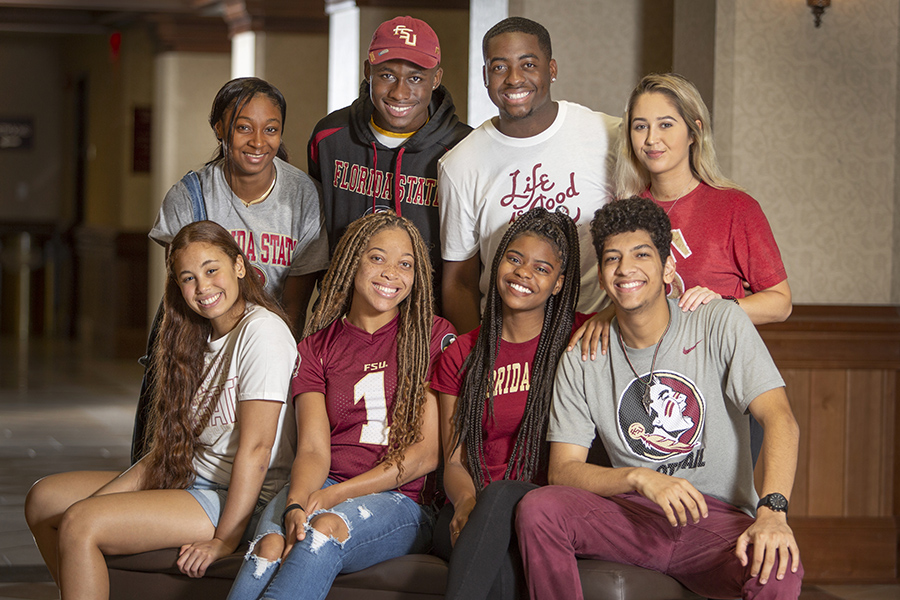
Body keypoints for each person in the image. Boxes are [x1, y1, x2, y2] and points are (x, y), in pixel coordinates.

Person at [515, 198, 803, 600]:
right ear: (601, 276)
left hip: (716, 521)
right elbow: (564, 470)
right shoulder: (582, 357)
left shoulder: (718, 321)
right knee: (538, 508)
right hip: (634, 516)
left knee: (778, 564)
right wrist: (637, 477)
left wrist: (772, 512)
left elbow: (780, 419)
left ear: (668, 269)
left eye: (642, 255)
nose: (626, 268)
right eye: (613, 258)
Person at [25, 221, 299, 599]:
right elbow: (170, 449)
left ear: (239, 266)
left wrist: (224, 539)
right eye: (188, 278)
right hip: (191, 479)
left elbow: (257, 451)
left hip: (239, 497)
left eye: (211, 269)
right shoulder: (195, 337)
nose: (203, 287)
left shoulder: (262, 332)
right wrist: (106, 498)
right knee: (44, 501)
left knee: (81, 523)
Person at [227, 212, 456, 600]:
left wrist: (332, 498)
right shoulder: (315, 348)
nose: (391, 273)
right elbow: (315, 449)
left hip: (402, 500)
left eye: (405, 264)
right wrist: (298, 502)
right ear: (353, 262)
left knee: (322, 530)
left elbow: (425, 456)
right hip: (324, 482)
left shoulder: (433, 336)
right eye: (377, 258)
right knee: (269, 547)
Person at [432, 207, 586, 600]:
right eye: (514, 259)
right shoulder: (462, 354)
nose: (522, 273)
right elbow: (453, 460)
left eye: (541, 268)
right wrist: (466, 502)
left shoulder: (580, 336)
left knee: (501, 498)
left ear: (558, 284)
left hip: (545, 507)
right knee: (494, 558)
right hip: (474, 498)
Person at [439, 16, 620, 334]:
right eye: (499, 67)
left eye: (528, 64)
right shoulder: (459, 165)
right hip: (508, 343)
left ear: (551, 69)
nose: (513, 79)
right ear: (485, 75)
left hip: (596, 339)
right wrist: (482, 356)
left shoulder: (609, 136)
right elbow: (460, 283)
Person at [308, 15, 471, 311]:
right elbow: (313, 234)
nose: (399, 92)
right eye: (387, 75)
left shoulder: (465, 149)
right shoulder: (329, 137)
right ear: (368, 71)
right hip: (345, 319)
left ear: (436, 78)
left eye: (416, 78)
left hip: (427, 321)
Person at [151, 77, 329, 332]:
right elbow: (183, 295)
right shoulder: (188, 198)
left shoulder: (306, 197)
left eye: (270, 130)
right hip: (202, 345)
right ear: (219, 129)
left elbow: (293, 309)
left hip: (269, 344)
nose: (258, 142)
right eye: (244, 128)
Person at [618, 72, 791, 324]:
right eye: (640, 126)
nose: (651, 139)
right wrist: (603, 319)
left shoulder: (736, 208)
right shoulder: (625, 213)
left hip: (713, 358)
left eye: (665, 124)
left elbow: (780, 303)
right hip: (644, 359)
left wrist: (719, 308)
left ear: (693, 133)